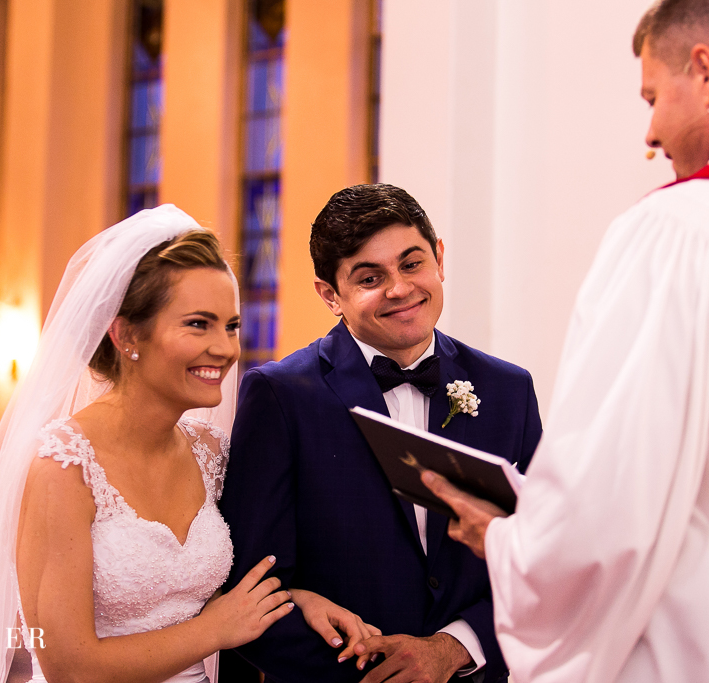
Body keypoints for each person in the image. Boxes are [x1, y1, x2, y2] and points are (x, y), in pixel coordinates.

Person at [416, 1, 709, 681]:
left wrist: (510, 541)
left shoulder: (682, 235)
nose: (652, 133)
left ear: (707, 73)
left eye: (654, 97)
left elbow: (608, 501)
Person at [0, 205, 375, 683]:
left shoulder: (211, 454)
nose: (225, 349)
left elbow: (237, 587)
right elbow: (69, 666)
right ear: (126, 335)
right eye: (198, 324)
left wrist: (297, 600)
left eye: (231, 325)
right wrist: (213, 631)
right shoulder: (65, 466)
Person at [219, 184, 543, 683]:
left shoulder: (509, 390)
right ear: (330, 293)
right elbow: (251, 588)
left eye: (412, 264)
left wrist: (455, 648)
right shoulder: (282, 396)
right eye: (370, 277)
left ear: (438, 258)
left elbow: (540, 558)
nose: (399, 288)